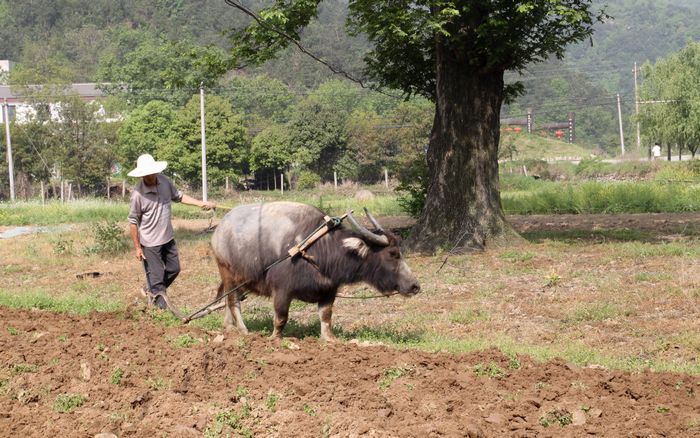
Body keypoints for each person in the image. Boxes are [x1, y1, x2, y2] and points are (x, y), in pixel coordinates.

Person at [127, 154, 216, 309]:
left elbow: (179, 196)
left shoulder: (165, 182)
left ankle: (152, 291)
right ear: (142, 175)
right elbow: (133, 222)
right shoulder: (137, 195)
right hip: (150, 243)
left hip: (167, 238)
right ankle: (160, 310)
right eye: (146, 173)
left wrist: (201, 203)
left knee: (175, 269)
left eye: (151, 172)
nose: (150, 176)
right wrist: (137, 247)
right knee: (157, 278)